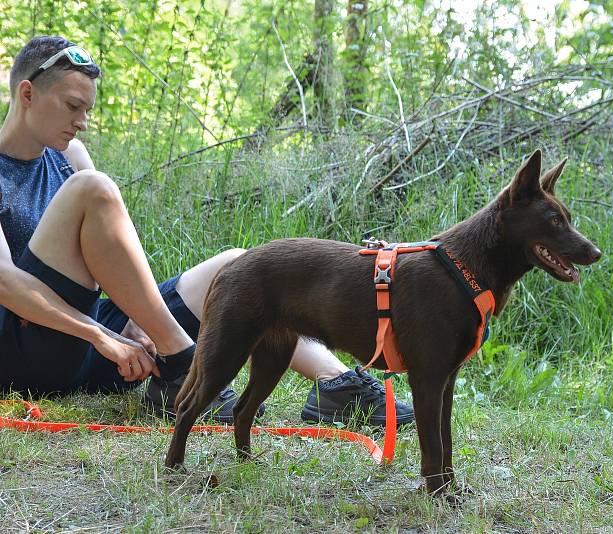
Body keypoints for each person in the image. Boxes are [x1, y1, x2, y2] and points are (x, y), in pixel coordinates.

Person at [0, 36, 413, 427]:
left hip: (103, 343)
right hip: (32, 350)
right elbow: (4, 282)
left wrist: (133, 318)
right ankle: (182, 364)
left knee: (239, 267)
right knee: (95, 188)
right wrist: (100, 333)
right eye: (74, 106)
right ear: (27, 93)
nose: (83, 123)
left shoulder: (67, 152)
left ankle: (337, 387)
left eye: (87, 109)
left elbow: (111, 247)